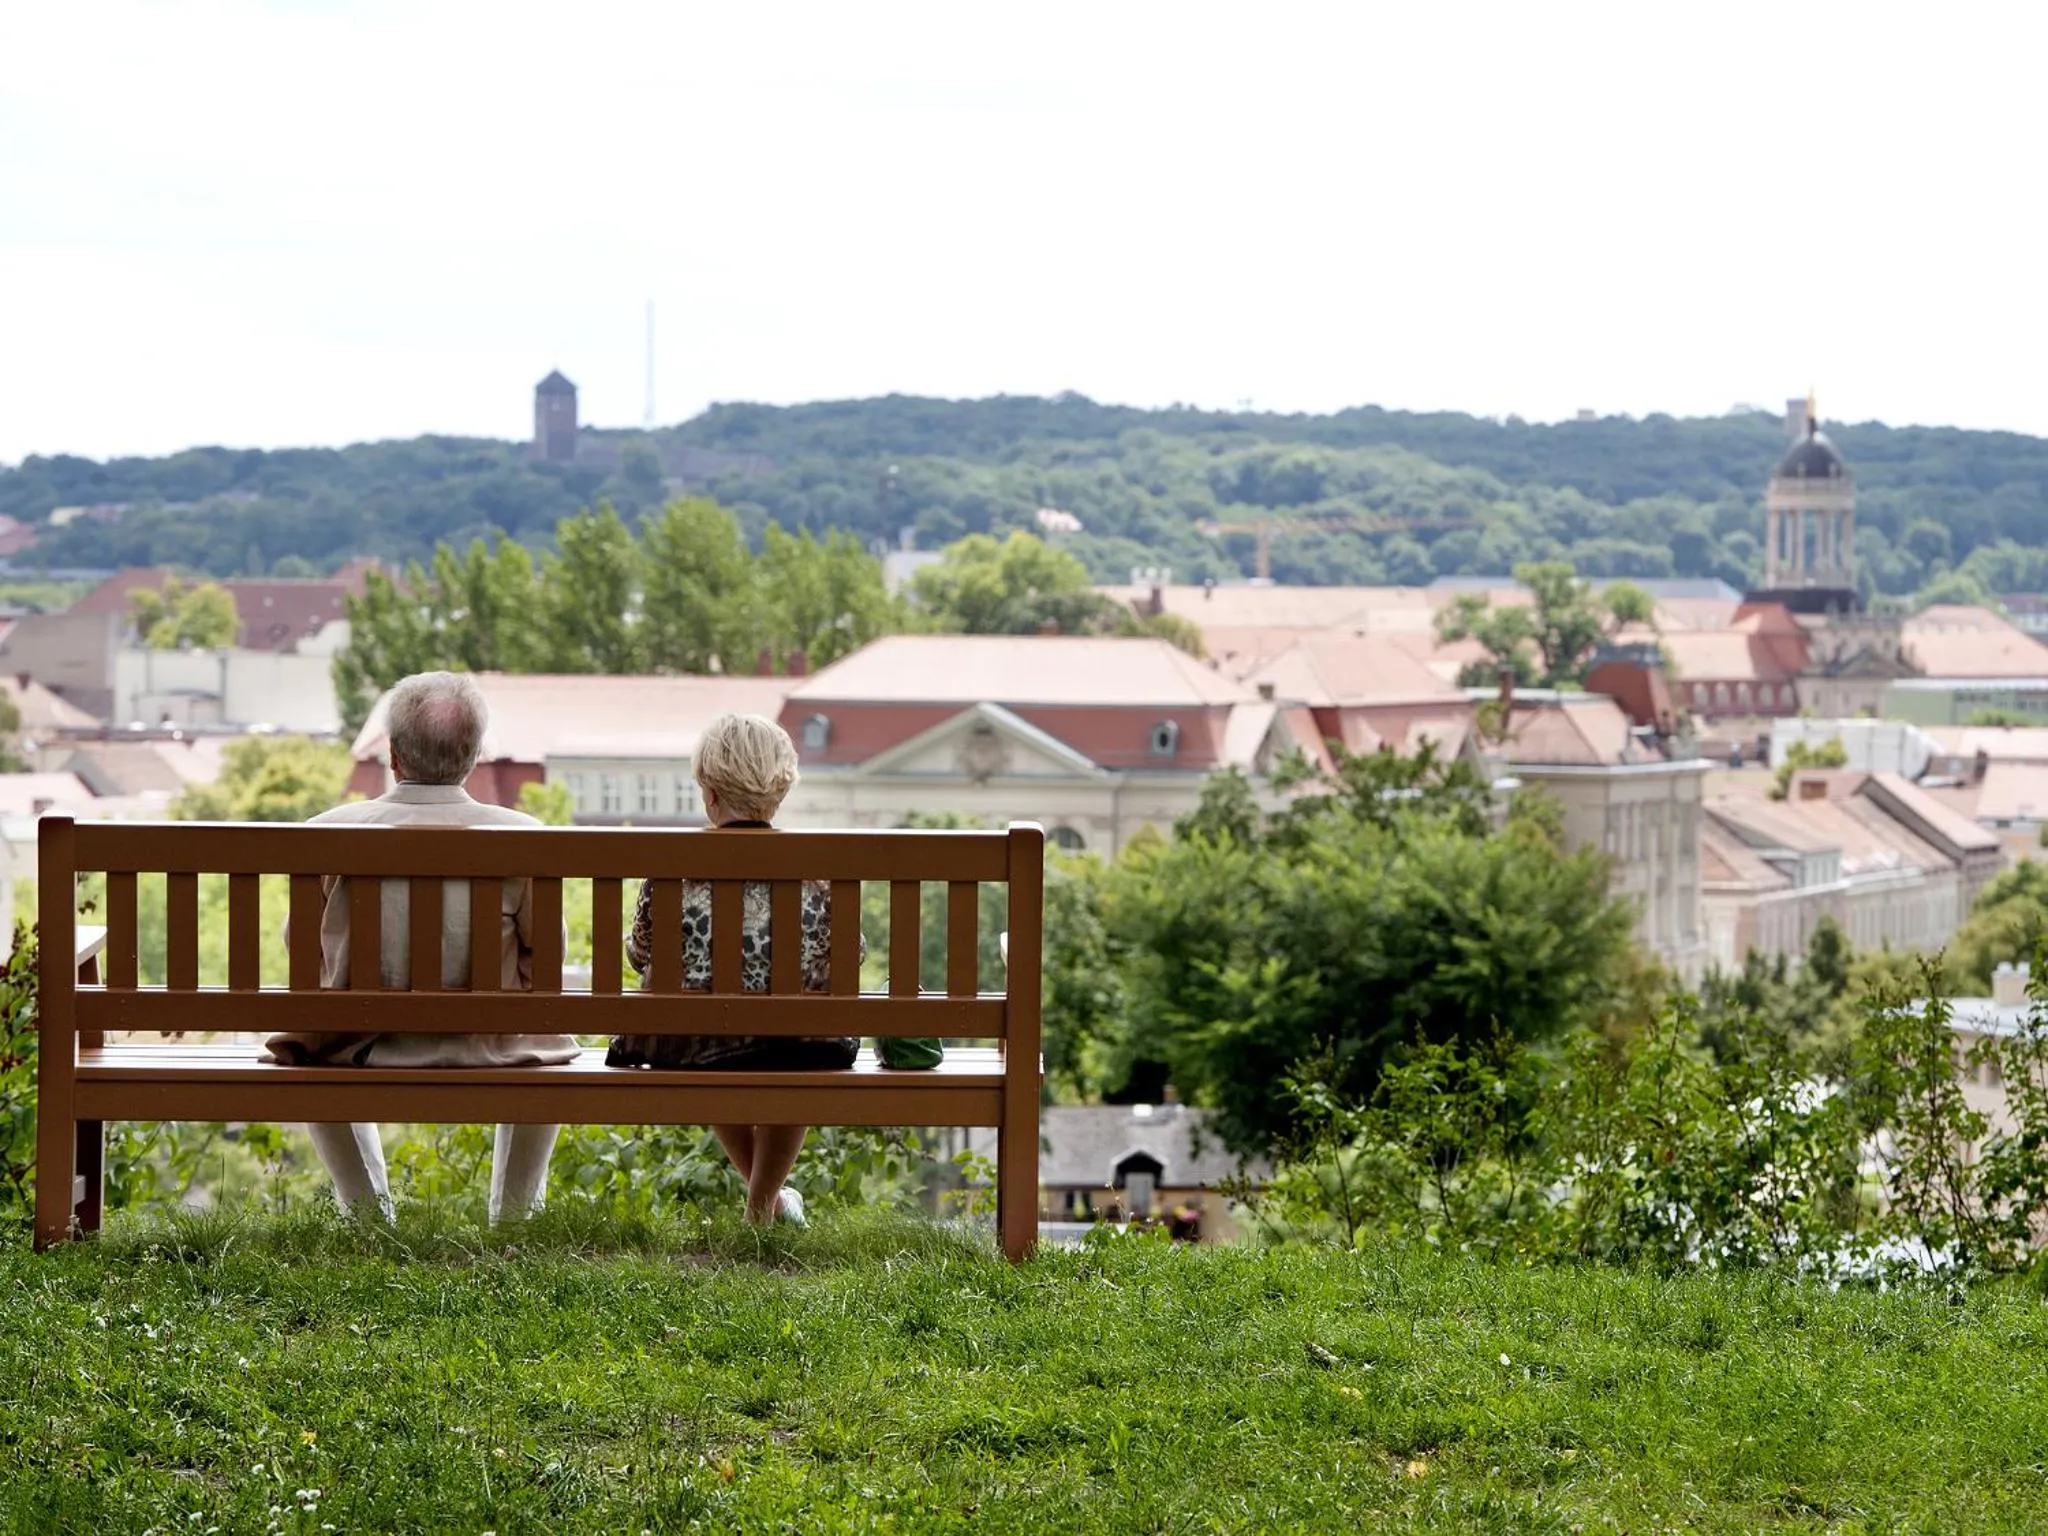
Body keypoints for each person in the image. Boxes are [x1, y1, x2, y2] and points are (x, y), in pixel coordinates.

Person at [264, 671, 577, 1223]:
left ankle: (365, 1213)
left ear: (393, 756)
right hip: (495, 1047)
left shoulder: (327, 832)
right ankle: (515, 1214)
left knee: (312, 1035)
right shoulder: (524, 836)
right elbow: (546, 958)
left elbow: (300, 948)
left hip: (358, 1046)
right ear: (474, 756)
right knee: (545, 1028)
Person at [606, 712, 857, 1226]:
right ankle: (763, 1205)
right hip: (802, 1045)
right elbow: (848, 956)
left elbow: (639, 954)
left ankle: (765, 1206)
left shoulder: (671, 870)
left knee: (706, 1033)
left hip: (694, 1043)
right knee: (801, 1037)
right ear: (780, 792)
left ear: (711, 795)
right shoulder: (819, 872)